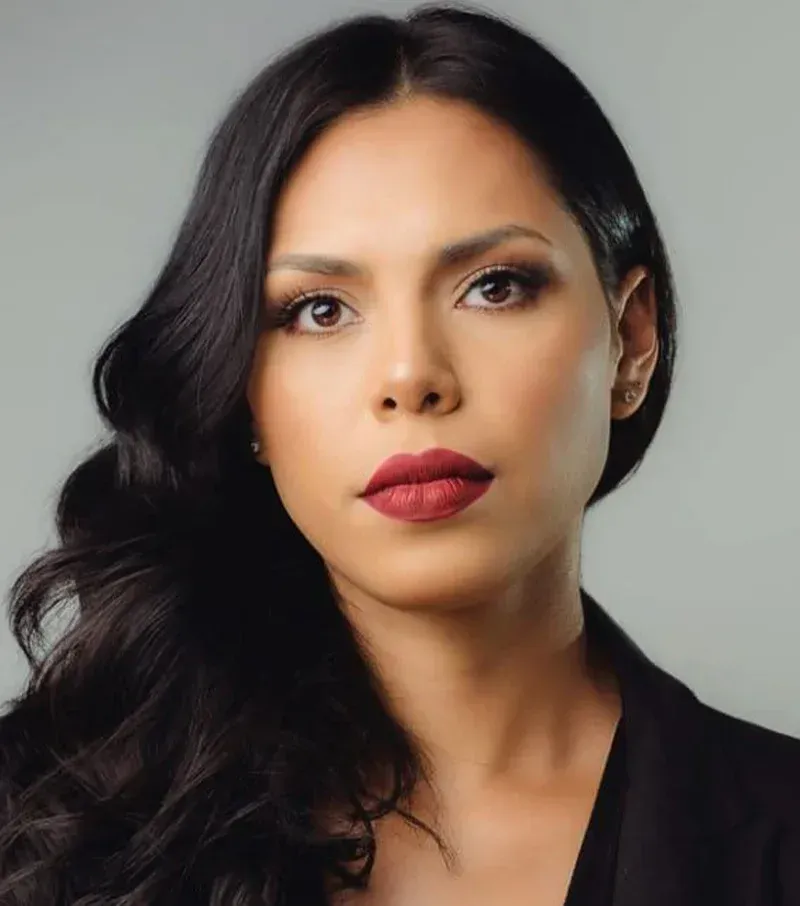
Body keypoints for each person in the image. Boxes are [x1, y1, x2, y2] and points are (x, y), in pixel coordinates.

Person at [1, 3, 798, 904]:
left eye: (494, 287)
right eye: (319, 309)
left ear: (632, 340)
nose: (411, 376)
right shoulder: (37, 825)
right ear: (241, 391)